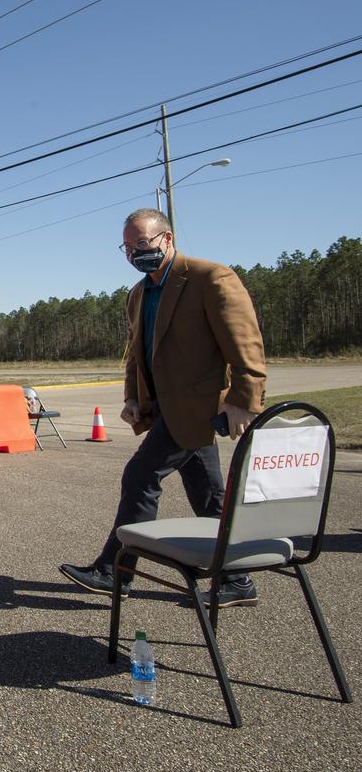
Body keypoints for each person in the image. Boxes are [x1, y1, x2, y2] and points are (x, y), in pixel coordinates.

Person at [60, 208, 266, 607]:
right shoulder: (139, 294)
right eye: (127, 246)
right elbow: (136, 355)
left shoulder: (210, 278)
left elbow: (245, 343)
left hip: (201, 406)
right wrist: (133, 399)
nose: (135, 252)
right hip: (168, 409)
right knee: (208, 494)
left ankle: (114, 571)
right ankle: (237, 578)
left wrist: (244, 400)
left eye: (142, 243)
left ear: (167, 239)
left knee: (140, 476)